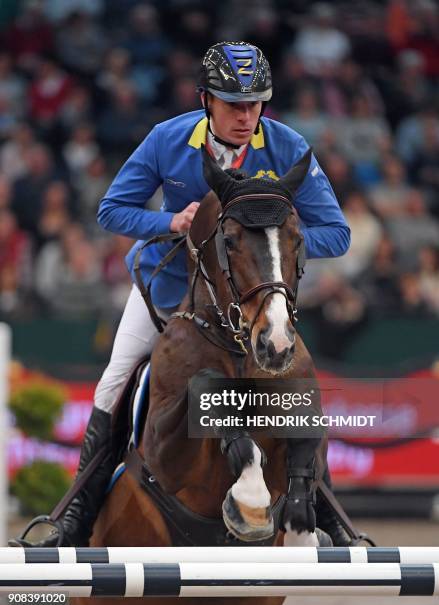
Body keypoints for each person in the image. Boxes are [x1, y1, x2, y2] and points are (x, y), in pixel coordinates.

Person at [12, 42, 351, 548]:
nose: (245, 115)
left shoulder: (288, 148)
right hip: (170, 294)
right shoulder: (166, 140)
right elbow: (112, 210)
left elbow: (337, 233)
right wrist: (170, 221)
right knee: (114, 380)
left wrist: (280, 238)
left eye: (255, 103)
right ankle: (76, 514)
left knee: (297, 388)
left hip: (252, 299)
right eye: (233, 104)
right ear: (205, 101)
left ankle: (321, 511)